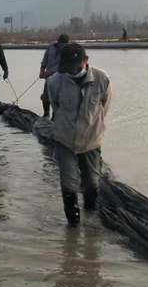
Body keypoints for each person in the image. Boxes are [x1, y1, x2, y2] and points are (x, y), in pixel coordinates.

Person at [48, 43, 112, 226]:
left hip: (91, 141)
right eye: (67, 67)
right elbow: (56, 107)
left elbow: (105, 105)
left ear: (85, 61)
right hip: (65, 140)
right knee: (68, 183)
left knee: (92, 183)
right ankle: (73, 224)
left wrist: (91, 126)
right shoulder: (55, 81)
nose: (70, 71)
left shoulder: (102, 79)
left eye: (74, 66)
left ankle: (90, 218)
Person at [39, 34, 69, 118]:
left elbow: (64, 65)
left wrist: (50, 72)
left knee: (57, 98)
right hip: (48, 78)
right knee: (45, 96)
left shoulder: (68, 50)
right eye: (60, 43)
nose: (61, 45)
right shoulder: (51, 47)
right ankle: (46, 114)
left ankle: (55, 116)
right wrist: (42, 71)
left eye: (63, 44)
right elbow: (45, 60)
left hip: (60, 77)